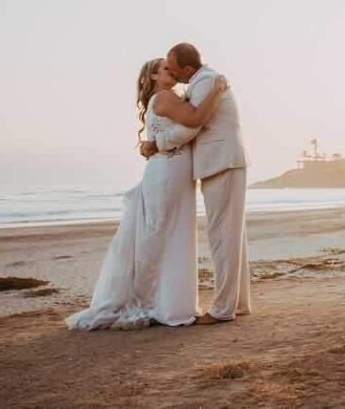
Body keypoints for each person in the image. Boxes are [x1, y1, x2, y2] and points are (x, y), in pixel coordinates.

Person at [66, 58, 227, 331]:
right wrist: (216, 91)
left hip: (173, 172)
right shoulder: (163, 97)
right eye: (166, 69)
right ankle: (150, 300)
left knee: (171, 235)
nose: (173, 72)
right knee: (160, 235)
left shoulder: (169, 98)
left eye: (173, 68)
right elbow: (195, 120)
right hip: (166, 173)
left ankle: (167, 302)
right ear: (152, 76)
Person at [140, 43, 251, 324]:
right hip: (222, 162)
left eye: (174, 70)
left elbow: (193, 124)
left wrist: (158, 143)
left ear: (188, 68)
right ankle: (238, 304)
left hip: (221, 162)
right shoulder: (204, 81)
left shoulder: (206, 81)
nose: (173, 75)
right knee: (232, 236)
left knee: (223, 237)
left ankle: (222, 310)